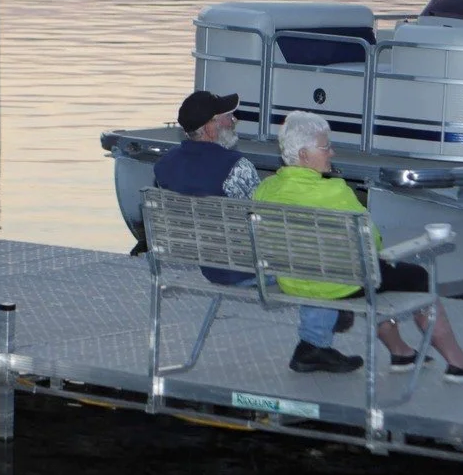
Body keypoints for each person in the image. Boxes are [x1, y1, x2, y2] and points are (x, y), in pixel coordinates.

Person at [252, 110, 463, 380]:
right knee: (415, 276)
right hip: (339, 283)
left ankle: (401, 352)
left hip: (292, 279)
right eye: (326, 147)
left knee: (380, 274)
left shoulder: (266, 189)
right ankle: (459, 363)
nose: (332, 153)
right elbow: (372, 241)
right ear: (304, 155)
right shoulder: (335, 191)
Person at [153, 89, 360, 372]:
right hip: (244, 269)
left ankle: (328, 315)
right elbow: (267, 225)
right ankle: (315, 345)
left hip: (206, 263)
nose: (234, 121)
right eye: (227, 117)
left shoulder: (164, 165)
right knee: (315, 253)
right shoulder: (235, 167)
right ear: (210, 128)